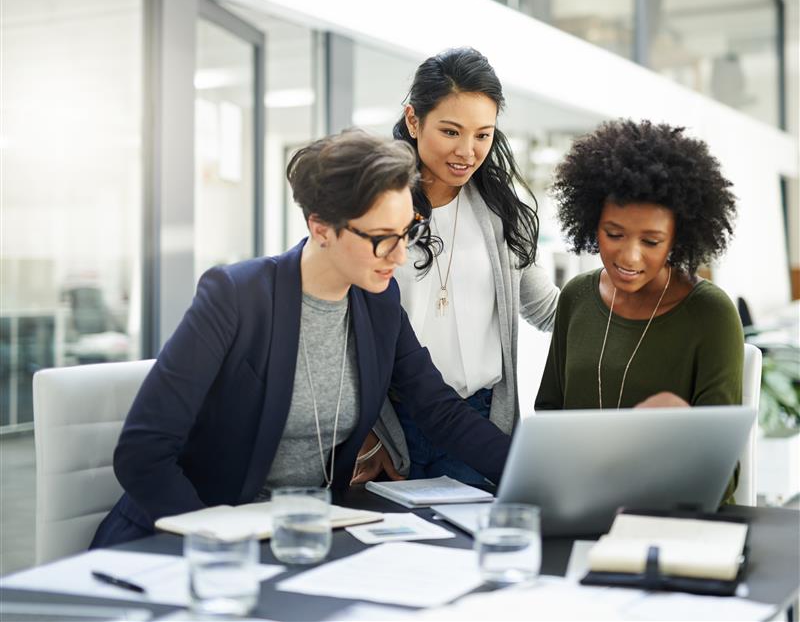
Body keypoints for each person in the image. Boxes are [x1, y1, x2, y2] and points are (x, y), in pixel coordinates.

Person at [90, 130, 512, 548]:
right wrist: (219, 544)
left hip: (303, 536)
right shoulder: (236, 297)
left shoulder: (377, 304)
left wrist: (528, 469)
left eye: (407, 234)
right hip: (192, 540)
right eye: (383, 239)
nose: (400, 256)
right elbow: (142, 453)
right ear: (322, 227)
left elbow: (438, 409)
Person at [352, 48, 559, 485]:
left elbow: (547, 309)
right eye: (450, 131)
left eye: (483, 135)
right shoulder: (374, 209)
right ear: (413, 121)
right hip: (393, 427)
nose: (467, 151)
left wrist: (632, 298)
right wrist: (367, 432)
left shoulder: (503, 213)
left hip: (481, 423)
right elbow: (343, 327)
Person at [535, 119, 742, 500]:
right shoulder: (576, 297)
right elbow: (549, 418)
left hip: (671, 518)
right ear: (590, 222)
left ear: (678, 239)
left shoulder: (711, 315)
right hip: (579, 506)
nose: (629, 256)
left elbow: (722, 475)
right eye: (613, 234)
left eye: (651, 240)